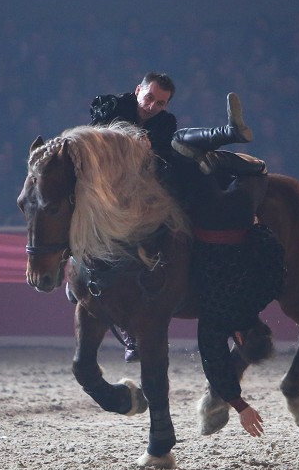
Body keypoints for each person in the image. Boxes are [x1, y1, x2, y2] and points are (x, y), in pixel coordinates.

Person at [88, 72, 262, 361]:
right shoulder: (112, 106)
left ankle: (229, 138)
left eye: (161, 103)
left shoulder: (165, 122)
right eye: (150, 98)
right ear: (137, 90)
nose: (153, 106)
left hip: (147, 184)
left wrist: (152, 153)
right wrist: (133, 143)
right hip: (108, 185)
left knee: (182, 147)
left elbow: (163, 162)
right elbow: (96, 140)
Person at [176, 144, 282, 438]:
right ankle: (208, 156)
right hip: (205, 218)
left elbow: (273, 254)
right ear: (239, 339)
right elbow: (215, 365)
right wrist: (240, 405)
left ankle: (223, 156)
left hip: (239, 215)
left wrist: (257, 227)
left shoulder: (263, 293)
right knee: (187, 165)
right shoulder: (215, 318)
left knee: (259, 169)